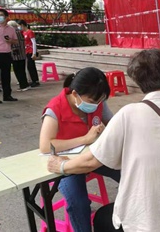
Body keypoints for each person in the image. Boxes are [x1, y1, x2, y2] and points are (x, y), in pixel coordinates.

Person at [48, 50, 160, 232]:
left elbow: (91, 161)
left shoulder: (128, 113)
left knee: (102, 218)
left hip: (147, 223)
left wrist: (60, 166)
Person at [39, 67, 120, 232]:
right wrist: (85, 139)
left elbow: (114, 125)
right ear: (75, 94)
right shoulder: (55, 108)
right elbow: (46, 145)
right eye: (92, 101)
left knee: (129, 172)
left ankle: (132, 219)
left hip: (91, 157)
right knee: (79, 202)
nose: (97, 105)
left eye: (101, 100)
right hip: (63, 163)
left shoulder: (97, 102)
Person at [0, 9, 18, 103]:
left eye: (1, 15)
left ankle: (7, 95)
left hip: (6, 54)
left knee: (6, 76)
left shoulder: (11, 29)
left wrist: (10, 41)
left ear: (6, 17)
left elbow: (16, 41)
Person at [7, 20, 30, 91]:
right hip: (22, 53)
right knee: (21, 70)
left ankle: (23, 85)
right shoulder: (19, 32)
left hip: (16, 54)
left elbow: (15, 43)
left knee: (18, 70)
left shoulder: (14, 33)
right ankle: (24, 84)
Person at [17, 19, 40, 87]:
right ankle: (33, 80)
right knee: (29, 67)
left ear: (22, 25)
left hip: (31, 51)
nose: (19, 27)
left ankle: (35, 80)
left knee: (31, 66)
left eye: (19, 26)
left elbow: (34, 42)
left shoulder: (30, 32)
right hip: (26, 51)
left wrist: (34, 53)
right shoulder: (23, 33)